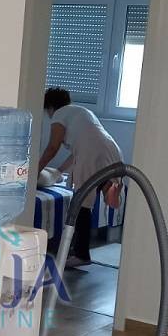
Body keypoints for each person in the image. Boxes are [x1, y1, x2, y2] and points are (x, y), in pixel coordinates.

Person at [38, 87, 122, 266]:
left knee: (82, 203)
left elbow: (52, 148)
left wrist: (35, 170)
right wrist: (58, 171)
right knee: (95, 181)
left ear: (50, 107)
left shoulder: (59, 114)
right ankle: (108, 185)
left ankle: (81, 255)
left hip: (90, 154)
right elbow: (78, 150)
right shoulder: (81, 112)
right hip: (110, 149)